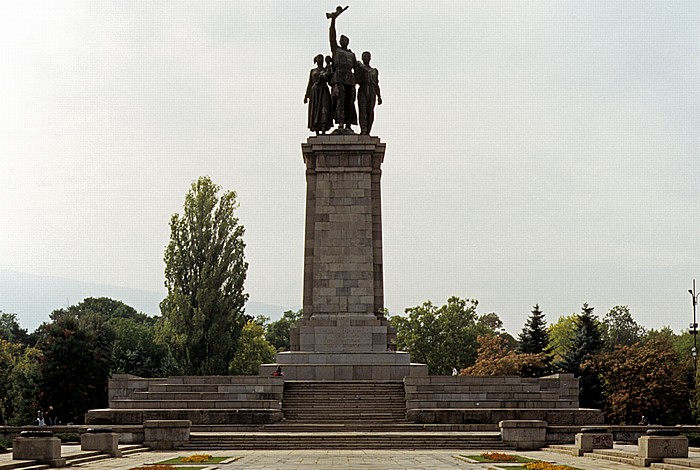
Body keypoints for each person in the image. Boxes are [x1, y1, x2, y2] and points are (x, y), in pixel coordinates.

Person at [328, 11, 358, 132]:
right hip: (339, 77)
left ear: (347, 42)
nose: (343, 41)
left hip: (350, 79)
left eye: (345, 39)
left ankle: (348, 124)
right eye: (341, 39)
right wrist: (333, 20)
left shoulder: (351, 54)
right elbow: (332, 35)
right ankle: (340, 122)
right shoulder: (336, 50)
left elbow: (357, 67)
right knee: (340, 100)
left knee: (349, 101)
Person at [304, 54, 333, 135]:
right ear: (316, 60)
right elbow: (310, 83)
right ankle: (316, 129)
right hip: (315, 92)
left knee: (324, 108)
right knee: (315, 109)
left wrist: (328, 67)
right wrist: (306, 95)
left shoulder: (326, 69)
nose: (320, 59)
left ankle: (323, 127)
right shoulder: (313, 71)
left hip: (323, 90)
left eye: (322, 58)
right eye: (319, 58)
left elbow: (329, 79)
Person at [355, 51, 382, 135]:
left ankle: (368, 130)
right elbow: (356, 79)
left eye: (367, 56)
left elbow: (376, 84)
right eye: (364, 56)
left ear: (370, 58)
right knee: (362, 110)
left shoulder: (374, 71)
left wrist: (379, 96)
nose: (366, 57)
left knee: (370, 111)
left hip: (372, 90)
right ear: (362, 58)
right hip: (363, 88)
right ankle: (363, 129)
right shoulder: (360, 68)